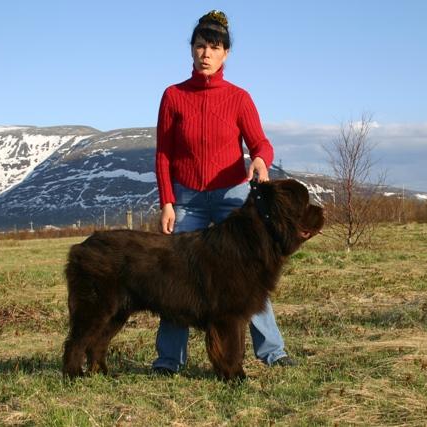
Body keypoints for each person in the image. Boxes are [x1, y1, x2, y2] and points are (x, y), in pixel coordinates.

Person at [152, 10, 294, 375]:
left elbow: (261, 143)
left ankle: (273, 352)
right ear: (191, 50)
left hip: (233, 199)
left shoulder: (239, 98)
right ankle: (169, 361)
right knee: (174, 280)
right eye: (200, 46)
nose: (206, 53)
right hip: (187, 200)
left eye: (214, 47)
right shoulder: (173, 96)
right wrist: (167, 202)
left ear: (226, 53)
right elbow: (164, 154)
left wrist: (260, 160)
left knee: (251, 277)